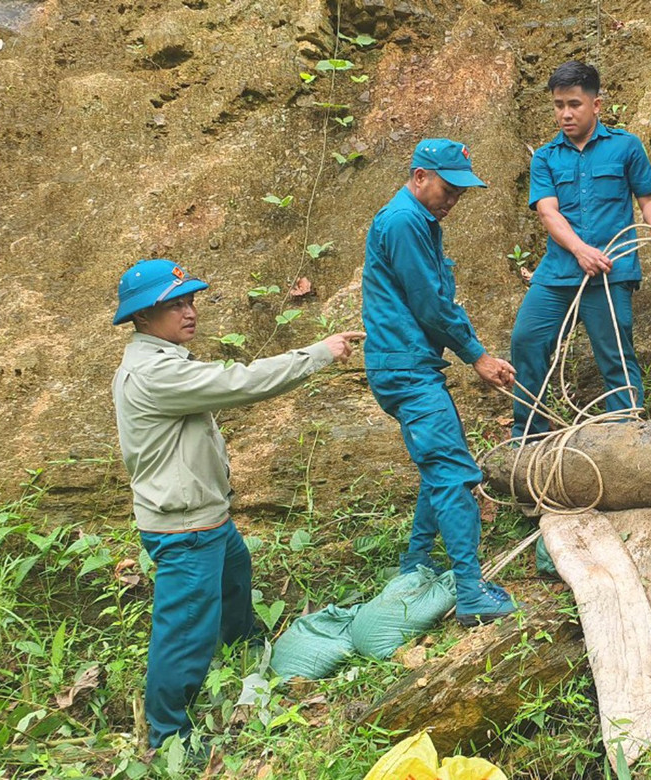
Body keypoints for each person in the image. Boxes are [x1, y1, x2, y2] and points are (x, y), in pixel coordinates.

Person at [111, 259, 363, 751]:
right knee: (184, 634)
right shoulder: (155, 373)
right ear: (142, 317)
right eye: (175, 305)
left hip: (204, 518)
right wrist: (318, 353)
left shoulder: (163, 362)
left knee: (234, 580)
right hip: (185, 528)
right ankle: (168, 738)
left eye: (190, 301)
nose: (189, 312)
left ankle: (242, 657)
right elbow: (240, 382)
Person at [362, 138, 523, 619]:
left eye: (459, 193)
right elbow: (430, 305)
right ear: (420, 177)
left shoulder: (417, 219)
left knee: (441, 465)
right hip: (406, 369)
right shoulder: (404, 221)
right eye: (447, 189)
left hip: (410, 365)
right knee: (454, 473)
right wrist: (478, 356)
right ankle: (471, 591)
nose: (453, 200)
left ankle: (415, 562)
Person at [511, 60, 651, 439]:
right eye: (558, 105)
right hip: (557, 274)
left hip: (609, 273)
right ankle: (529, 436)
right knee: (526, 340)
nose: (565, 114)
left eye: (574, 104)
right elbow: (548, 212)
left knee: (615, 355)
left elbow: (648, 200)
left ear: (596, 105)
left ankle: (624, 435)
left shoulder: (625, 146)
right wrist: (580, 249)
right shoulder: (546, 157)